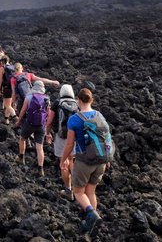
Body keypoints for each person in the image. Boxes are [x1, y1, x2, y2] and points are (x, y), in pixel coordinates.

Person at [60, 88, 107, 237]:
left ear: (78, 100)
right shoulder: (100, 116)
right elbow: (106, 138)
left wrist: (63, 160)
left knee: (78, 191)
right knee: (91, 191)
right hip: (101, 160)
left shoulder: (74, 119)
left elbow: (69, 144)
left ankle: (92, 216)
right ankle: (92, 224)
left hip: (84, 160)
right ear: (91, 100)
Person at [46, 84, 79, 201]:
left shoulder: (57, 103)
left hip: (60, 136)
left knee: (63, 162)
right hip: (74, 137)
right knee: (71, 160)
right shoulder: (76, 104)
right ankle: (77, 189)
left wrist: (47, 133)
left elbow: (49, 121)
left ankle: (68, 190)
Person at [15, 81, 50, 177]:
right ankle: (40, 169)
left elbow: (23, 110)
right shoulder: (47, 98)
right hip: (41, 125)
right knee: (39, 147)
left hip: (29, 123)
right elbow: (48, 113)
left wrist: (19, 120)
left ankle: (21, 158)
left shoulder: (29, 96)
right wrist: (47, 127)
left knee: (22, 139)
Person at [0, 55, 16, 124]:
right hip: (13, 88)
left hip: (6, 88)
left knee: (7, 106)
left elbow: (0, 80)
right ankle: (6, 120)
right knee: (9, 105)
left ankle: (15, 117)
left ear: (2, 61)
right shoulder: (13, 67)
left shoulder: (2, 68)